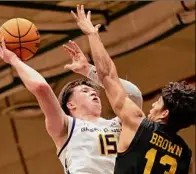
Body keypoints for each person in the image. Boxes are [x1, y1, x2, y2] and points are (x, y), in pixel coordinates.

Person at [71, 4, 196, 174]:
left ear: (165, 113)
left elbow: (108, 75)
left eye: (157, 103)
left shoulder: (137, 123)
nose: (152, 106)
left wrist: (92, 35)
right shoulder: (186, 157)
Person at [0, 35, 142, 173]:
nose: (93, 93)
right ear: (71, 105)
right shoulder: (66, 126)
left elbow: (134, 95)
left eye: (94, 91)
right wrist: (14, 60)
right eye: (85, 91)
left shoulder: (117, 125)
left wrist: (89, 71)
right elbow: (42, 88)